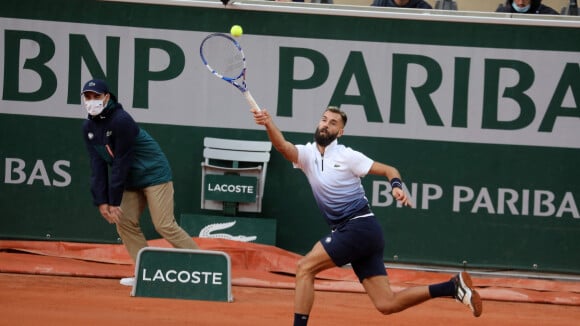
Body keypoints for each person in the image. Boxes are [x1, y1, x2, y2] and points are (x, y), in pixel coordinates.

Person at [251, 106, 482, 325]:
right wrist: (268, 123)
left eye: (332, 123)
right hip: (363, 234)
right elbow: (282, 146)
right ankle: (452, 288)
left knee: (304, 268)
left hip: (358, 228)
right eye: (324, 120)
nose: (325, 125)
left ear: (339, 132)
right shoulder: (307, 155)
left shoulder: (347, 156)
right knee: (386, 303)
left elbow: (389, 170)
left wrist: (396, 186)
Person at [80, 79, 199, 285]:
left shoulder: (121, 120)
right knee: (124, 222)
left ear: (107, 97)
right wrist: (102, 201)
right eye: (87, 97)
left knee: (164, 225)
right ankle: (147, 273)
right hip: (130, 180)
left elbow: (121, 162)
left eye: (96, 96)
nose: (92, 101)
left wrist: (114, 200)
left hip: (154, 174)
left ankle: (207, 267)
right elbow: (97, 165)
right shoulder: (88, 127)